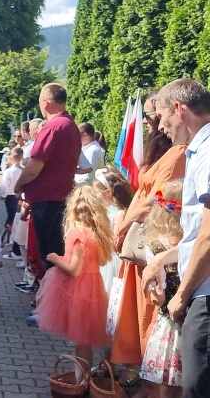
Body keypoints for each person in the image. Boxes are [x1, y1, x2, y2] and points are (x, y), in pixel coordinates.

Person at [111, 91, 186, 385]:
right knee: (134, 308)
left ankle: (151, 377)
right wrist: (124, 225)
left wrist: (124, 226)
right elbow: (141, 192)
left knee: (149, 309)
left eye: (150, 115)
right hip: (139, 237)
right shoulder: (161, 150)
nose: (146, 121)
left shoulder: (177, 153)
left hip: (154, 240)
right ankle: (138, 368)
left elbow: (156, 199)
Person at [145, 78, 210, 397]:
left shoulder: (207, 150)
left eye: (161, 116)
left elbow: (208, 235)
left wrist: (181, 295)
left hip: (204, 294)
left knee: (196, 386)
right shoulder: (199, 149)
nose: (160, 126)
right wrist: (163, 257)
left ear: (179, 109)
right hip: (202, 288)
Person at [36, 185, 113, 373]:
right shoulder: (97, 234)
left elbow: (74, 270)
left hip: (79, 290)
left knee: (81, 342)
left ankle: (81, 381)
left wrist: (56, 259)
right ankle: (83, 378)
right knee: (84, 340)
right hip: (93, 287)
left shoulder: (77, 234)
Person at [14, 83, 82, 270]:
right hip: (61, 197)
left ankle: (53, 289)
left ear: (45, 102)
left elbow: (33, 168)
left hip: (48, 201)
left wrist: (18, 185)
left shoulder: (54, 127)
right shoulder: (70, 125)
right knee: (59, 255)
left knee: (50, 256)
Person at [139, 180, 184, 398]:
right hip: (195, 317)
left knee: (167, 384)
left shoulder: (155, 247)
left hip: (171, 325)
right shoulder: (194, 241)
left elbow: (159, 298)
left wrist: (155, 293)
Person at [93, 168, 133, 294]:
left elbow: (115, 241)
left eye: (96, 192)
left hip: (112, 260)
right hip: (103, 257)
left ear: (107, 192)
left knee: (109, 292)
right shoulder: (104, 212)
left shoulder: (119, 213)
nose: (94, 196)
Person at [0, 147, 23, 250]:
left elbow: (5, 185)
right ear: (22, 158)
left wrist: (3, 195)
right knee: (18, 218)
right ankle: (16, 240)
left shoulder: (9, 171)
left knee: (11, 219)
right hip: (21, 197)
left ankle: (11, 240)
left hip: (10, 197)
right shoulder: (23, 171)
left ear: (11, 157)